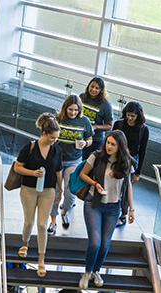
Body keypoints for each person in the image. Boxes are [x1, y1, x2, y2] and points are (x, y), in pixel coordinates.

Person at [78, 130, 135, 289]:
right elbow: (83, 174)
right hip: (93, 203)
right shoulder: (96, 156)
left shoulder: (127, 162)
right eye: (108, 143)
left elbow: (128, 185)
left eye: (113, 144)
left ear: (120, 146)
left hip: (113, 207)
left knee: (104, 244)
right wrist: (95, 184)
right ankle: (87, 272)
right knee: (95, 242)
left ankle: (96, 271)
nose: (109, 146)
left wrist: (131, 209)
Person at [14, 113, 63, 277]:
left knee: (42, 225)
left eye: (56, 138)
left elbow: (58, 171)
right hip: (28, 189)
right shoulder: (30, 147)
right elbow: (17, 167)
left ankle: (41, 260)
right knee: (29, 221)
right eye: (52, 137)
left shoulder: (57, 150)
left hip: (48, 190)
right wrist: (32, 172)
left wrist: (60, 190)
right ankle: (25, 244)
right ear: (44, 133)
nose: (54, 141)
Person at [48, 95, 94, 234]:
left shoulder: (84, 121)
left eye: (75, 110)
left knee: (70, 191)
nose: (73, 112)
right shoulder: (57, 119)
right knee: (55, 190)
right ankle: (53, 220)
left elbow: (90, 138)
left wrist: (85, 143)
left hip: (74, 160)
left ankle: (65, 211)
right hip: (57, 160)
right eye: (70, 109)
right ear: (65, 108)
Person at [112, 101, 149, 227]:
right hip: (115, 157)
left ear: (138, 116)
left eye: (133, 116)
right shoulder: (119, 124)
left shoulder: (143, 129)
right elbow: (110, 141)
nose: (130, 118)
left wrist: (138, 172)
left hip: (130, 160)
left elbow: (142, 151)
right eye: (128, 115)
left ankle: (123, 214)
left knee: (126, 187)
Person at [80, 77, 113, 160]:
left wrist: (95, 127)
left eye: (97, 88)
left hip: (95, 140)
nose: (93, 89)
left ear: (101, 90)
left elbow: (109, 125)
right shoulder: (82, 97)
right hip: (80, 136)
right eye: (92, 86)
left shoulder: (105, 104)